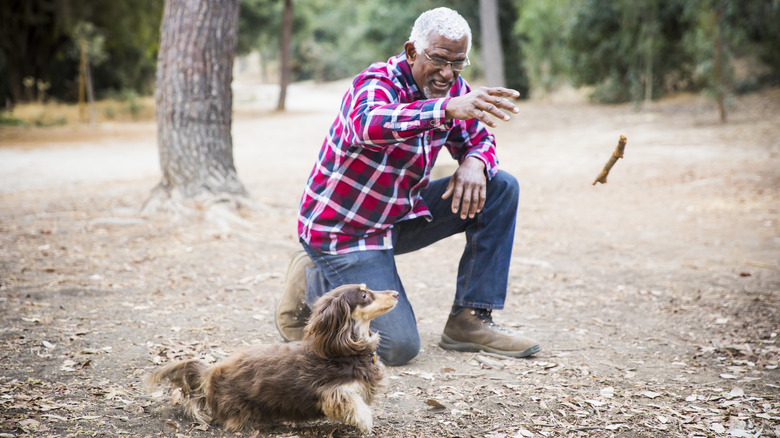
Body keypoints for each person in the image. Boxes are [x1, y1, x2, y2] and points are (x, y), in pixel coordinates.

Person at [275, 7, 540, 366]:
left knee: (500, 187)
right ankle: (314, 277)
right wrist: (443, 109)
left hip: (398, 215)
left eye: (458, 63)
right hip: (345, 232)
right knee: (396, 348)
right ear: (413, 51)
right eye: (439, 60)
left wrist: (475, 162)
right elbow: (369, 125)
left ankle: (470, 320)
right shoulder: (376, 83)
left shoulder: (451, 88)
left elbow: (480, 138)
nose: (447, 73)